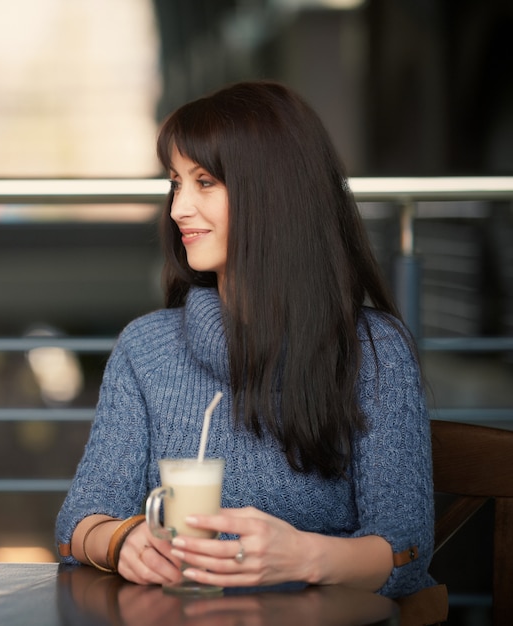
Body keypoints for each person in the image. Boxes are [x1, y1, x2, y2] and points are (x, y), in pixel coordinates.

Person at [56, 81, 436, 599]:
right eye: (175, 183)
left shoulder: (374, 353)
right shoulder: (146, 349)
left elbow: (405, 552)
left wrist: (304, 555)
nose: (177, 210)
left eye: (204, 182)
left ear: (273, 193)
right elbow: (78, 523)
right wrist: (121, 540)